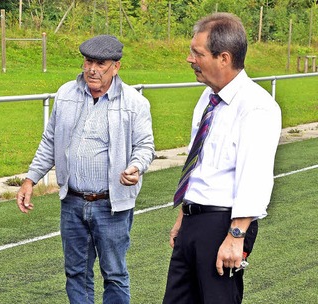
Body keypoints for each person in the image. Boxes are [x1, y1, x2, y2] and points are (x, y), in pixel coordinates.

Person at [16, 35, 155, 304]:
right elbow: (50, 141)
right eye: (88, 61)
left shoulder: (134, 103)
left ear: (116, 66)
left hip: (111, 204)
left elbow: (145, 146)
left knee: (114, 273)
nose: (92, 69)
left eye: (100, 63)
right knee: (75, 273)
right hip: (72, 201)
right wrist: (30, 179)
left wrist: (136, 167)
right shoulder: (66, 93)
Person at [163, 13, 282, 304]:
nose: (189, 59)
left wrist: (236, 235)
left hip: (224, 224)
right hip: (194, 220)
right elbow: (199, 165)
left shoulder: (257, 107)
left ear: (224, 58)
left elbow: (254, 175)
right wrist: (183, 215)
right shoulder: (207, 98)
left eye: (197, 53)